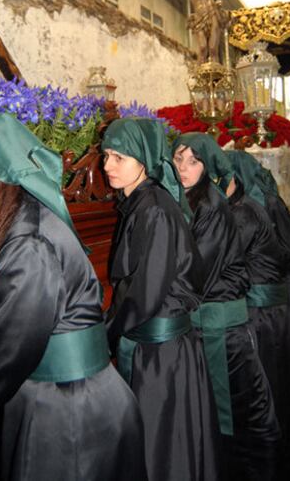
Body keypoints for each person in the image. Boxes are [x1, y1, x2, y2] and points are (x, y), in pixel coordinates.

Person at [0, 112, 148, 481]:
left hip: (70, 412)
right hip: (72, 399)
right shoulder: (20, 220)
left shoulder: (27, 242)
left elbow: (10, 344)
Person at [101, 118, 222, 481]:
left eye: (118, 157)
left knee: (163, 450)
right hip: (157, 346)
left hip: (161, 355)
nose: (107, 165)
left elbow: (144, 293)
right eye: (106, 155)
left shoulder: (153, 208)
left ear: (143, 159)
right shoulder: (141, 202)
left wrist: (104, 337)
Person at [172, 132, 280, 481]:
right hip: (210, 324)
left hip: (222, 331)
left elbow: (196, 271)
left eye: (193, 161)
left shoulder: (213, 206)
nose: (184, 168)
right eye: (179, 159)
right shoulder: (190, 199)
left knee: (235, 417)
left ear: (208, 164)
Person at [226, 149, 290, 481]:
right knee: (286, 385)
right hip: (288, 293)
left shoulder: (249, 209)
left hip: (267, 304)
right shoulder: (268, 197)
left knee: (272, 388)